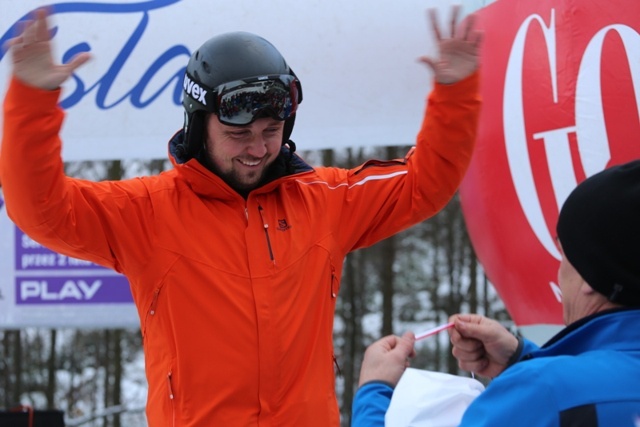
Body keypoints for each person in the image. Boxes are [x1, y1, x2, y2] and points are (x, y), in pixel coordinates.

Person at [1, 6, 482, 427]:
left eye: (272, 130)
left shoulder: (326, 200)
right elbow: (40, 209)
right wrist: (31, 100)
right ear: (198, 123)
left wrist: (456, 93)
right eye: (239, 134)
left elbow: (425, 183)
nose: (258, 148)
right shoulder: (146, 212)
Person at [352, 160, 640, 427]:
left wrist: (374, 391)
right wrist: (520, 358)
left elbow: (561, 397)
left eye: (563, 255)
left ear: (591, 274)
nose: (559, 271)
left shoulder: (542, 392)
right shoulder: (553, 388)